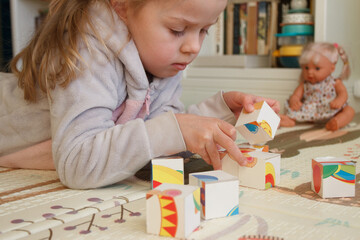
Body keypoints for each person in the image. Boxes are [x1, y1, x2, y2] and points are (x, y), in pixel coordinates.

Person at [0, 0, 280, 189]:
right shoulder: (85, 53)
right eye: (178, 29)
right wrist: (175, 128)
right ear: (122, 6)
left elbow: (157, 133)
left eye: (205, 30)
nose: (193, 47)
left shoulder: (165, 60)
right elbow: (77, 164)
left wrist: (217, 112)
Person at [280, 42, 355, 131]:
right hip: (310, 111)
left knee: (349, 110)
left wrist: (339, 100)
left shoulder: (335, 82)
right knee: (292, 110)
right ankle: (289, 120)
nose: (310, 72)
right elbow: (296, 95)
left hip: (331, 109)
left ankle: (337, 122)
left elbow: (343, 93)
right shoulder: (305, 84)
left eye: (317, 68)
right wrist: (294, 100)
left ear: (332, 68)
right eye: (306, 68)